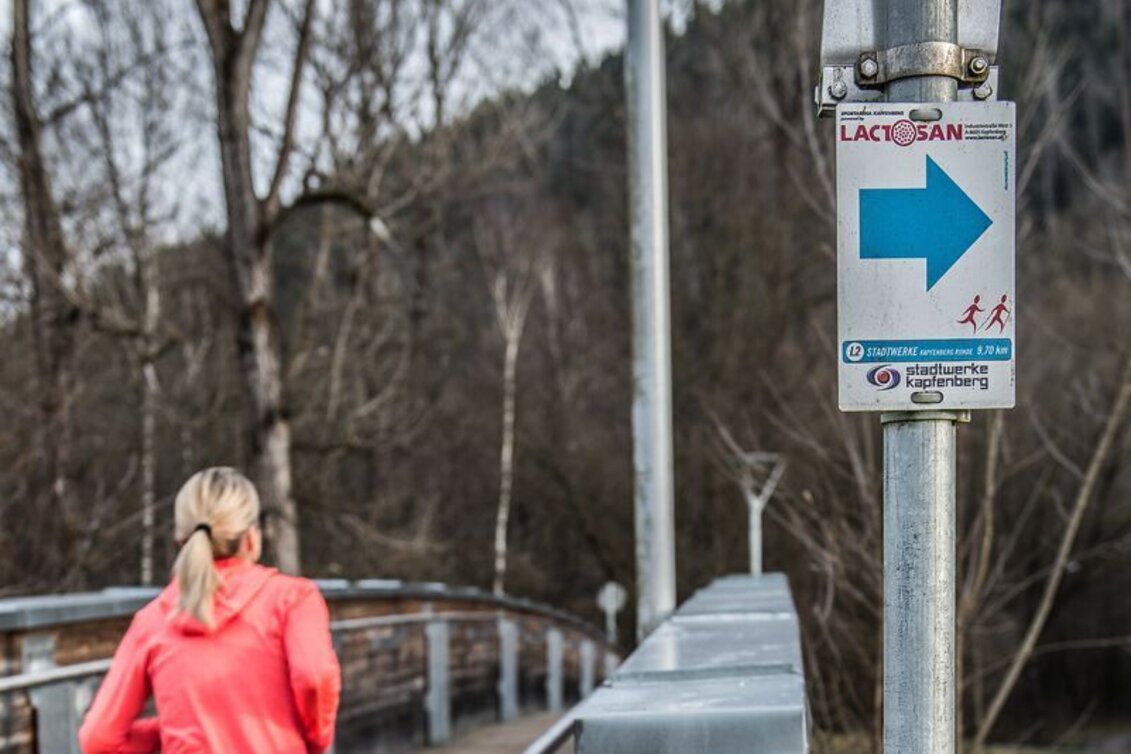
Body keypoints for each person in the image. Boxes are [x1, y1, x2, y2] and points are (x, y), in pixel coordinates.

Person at [79, 467, 341, 754]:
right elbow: (314, 677)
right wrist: (316, 737)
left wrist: (167, 733)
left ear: (182, 541)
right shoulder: (293, 599)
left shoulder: (152, 621)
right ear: (251, 539)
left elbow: (97, 738)